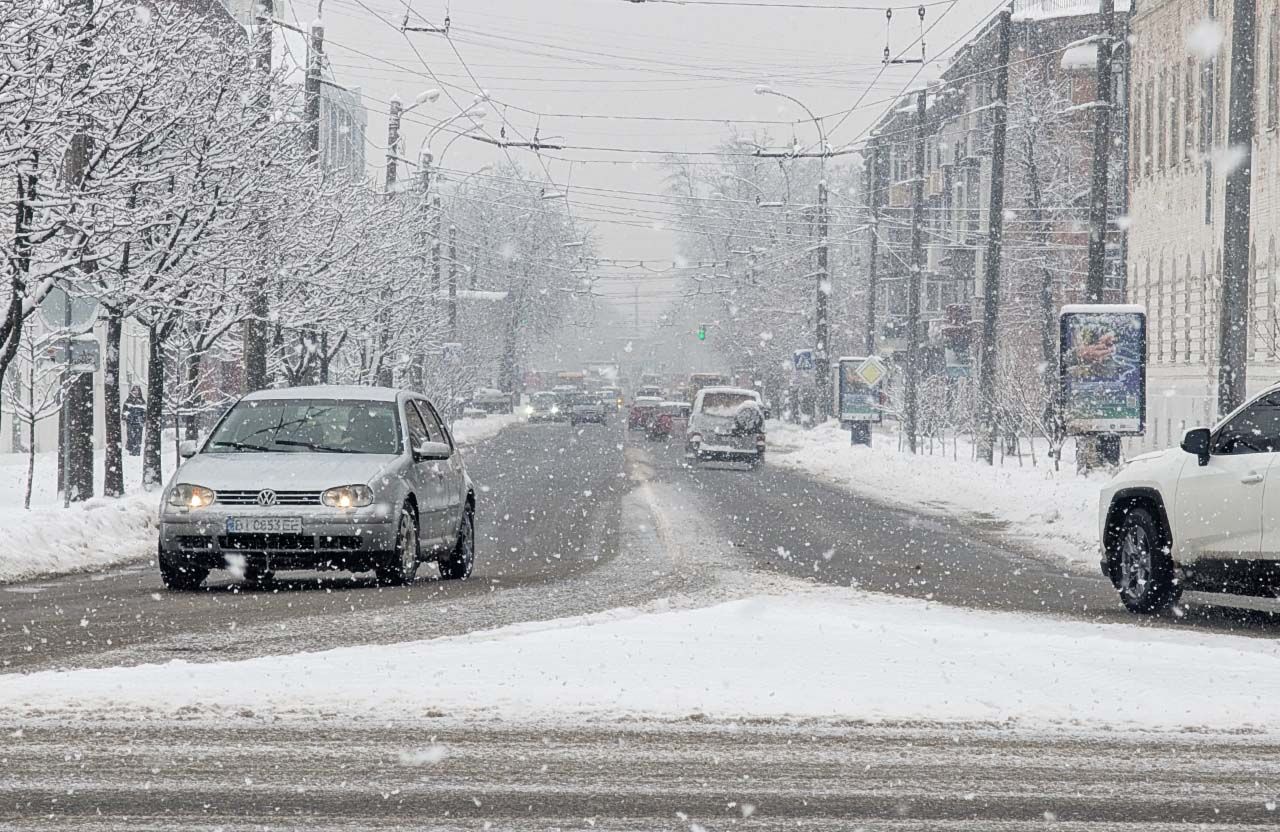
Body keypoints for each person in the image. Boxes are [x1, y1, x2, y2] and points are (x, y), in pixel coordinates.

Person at [124, 385, 146, 456]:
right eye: (134, 390)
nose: (136, 392)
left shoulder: (142, 401)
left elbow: (144, 412)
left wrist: (144, 420)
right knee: (131, 437)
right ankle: (131, 451)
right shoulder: (128, 400)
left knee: (138, 438)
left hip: (139, 423)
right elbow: (125, 411)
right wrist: (124, 418)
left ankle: (137, 451)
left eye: (137, 390)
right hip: (130, 422)